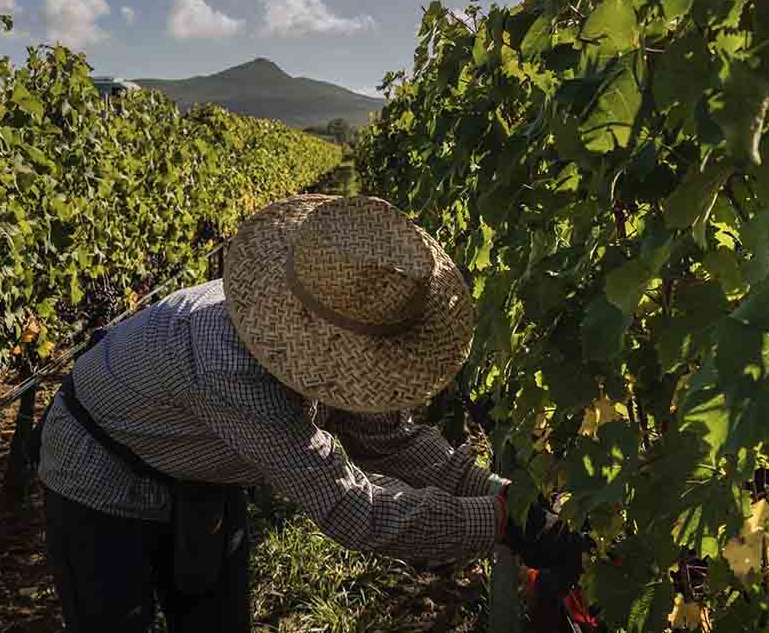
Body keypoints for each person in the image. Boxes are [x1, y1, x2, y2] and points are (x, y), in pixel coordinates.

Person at [35, 194, 585, 632]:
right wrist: (499, 523)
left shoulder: (332, 321)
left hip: (202, 465)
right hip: (100, 472)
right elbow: (350, 506)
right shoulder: (232, 365)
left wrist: (502, 494)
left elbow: (389, 440)